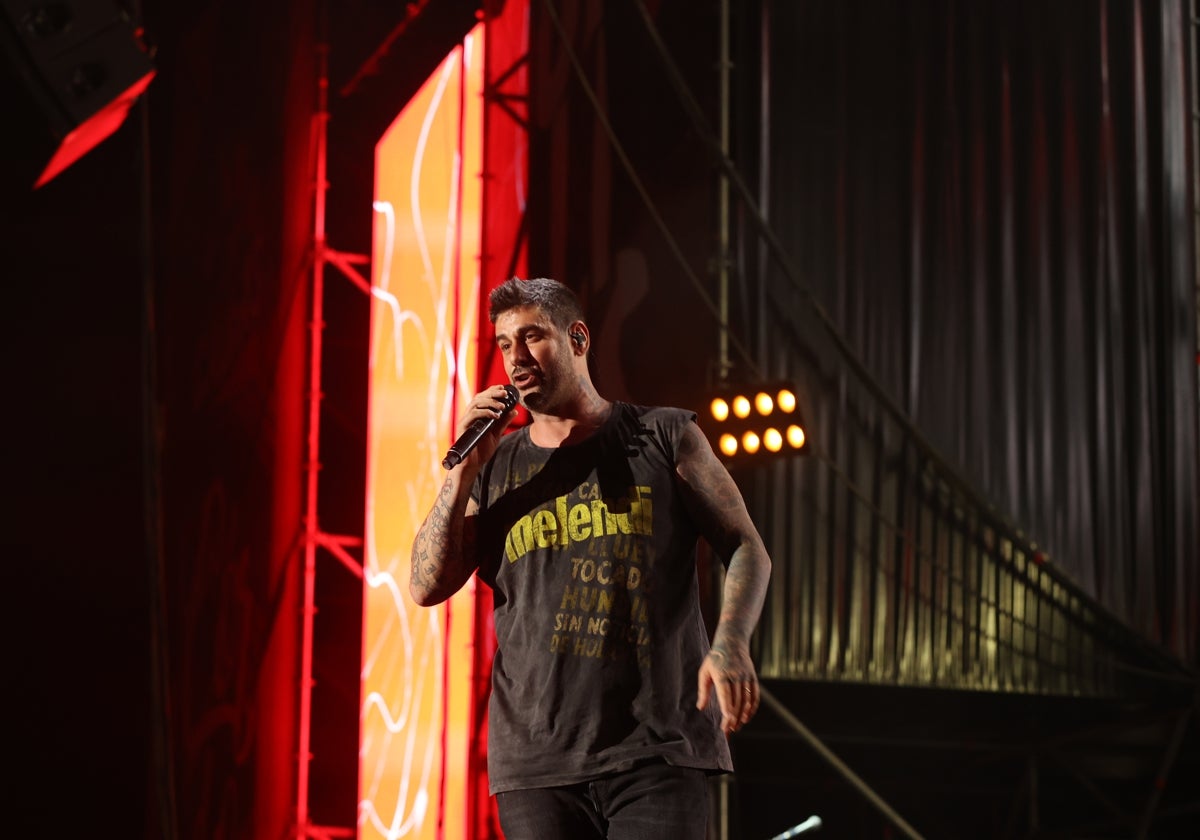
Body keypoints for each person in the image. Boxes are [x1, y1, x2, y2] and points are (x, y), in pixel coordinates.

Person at [410, 276, 772, 839]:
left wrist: (731, 641)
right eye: (505, 344)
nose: (517, 357)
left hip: (657, 751)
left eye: (533, 337)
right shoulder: (496, 468)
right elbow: (426, 585)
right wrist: (461, 476)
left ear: (577, 338)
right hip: (537, 762)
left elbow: (746, 544)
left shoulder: (664, 436)